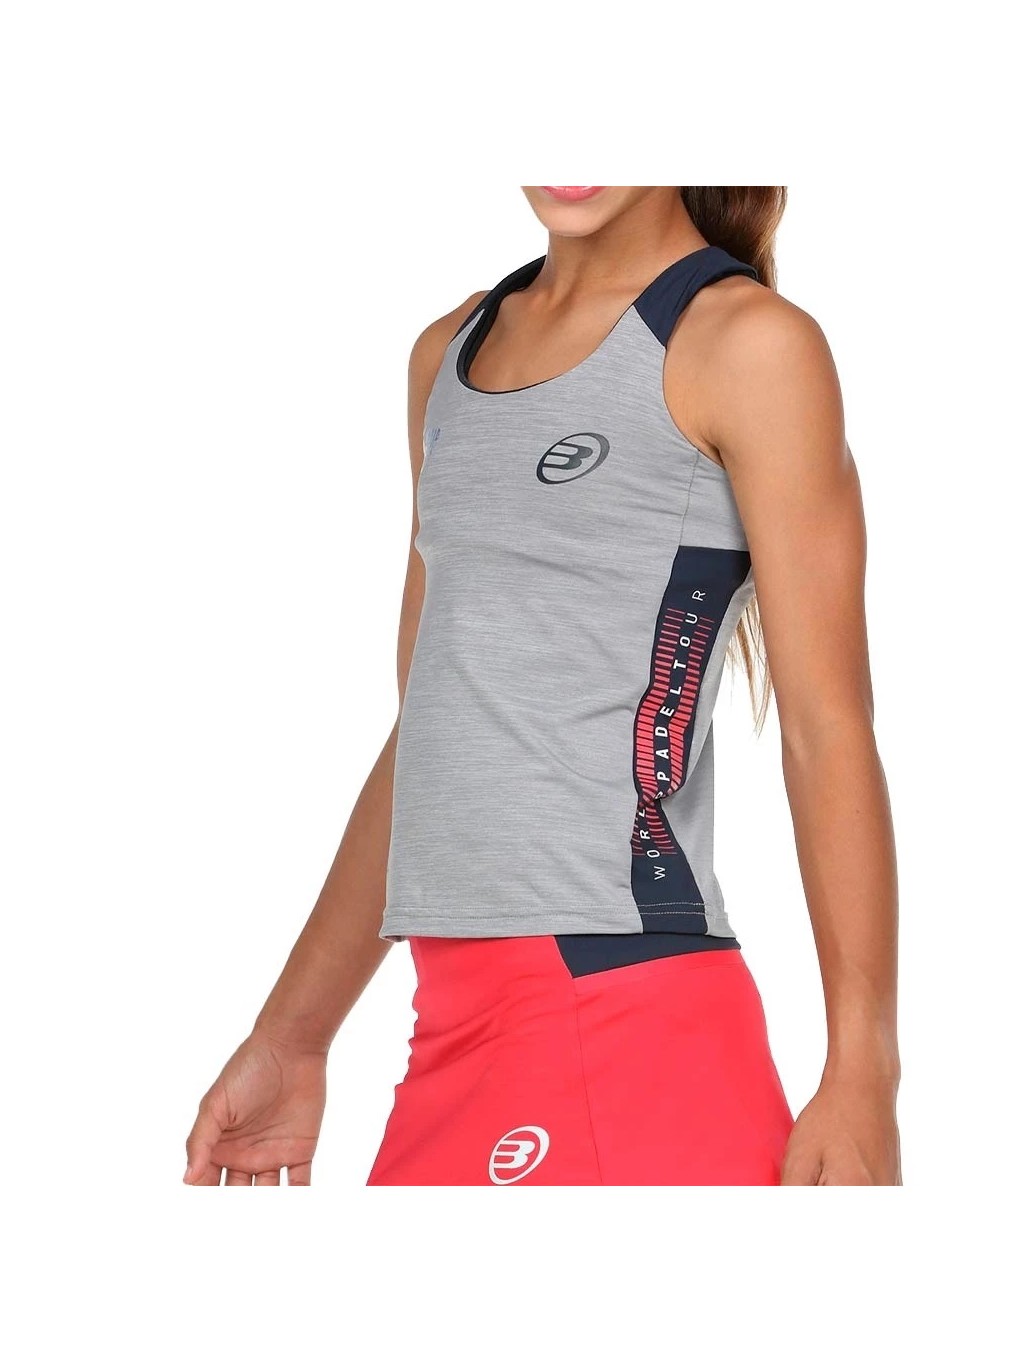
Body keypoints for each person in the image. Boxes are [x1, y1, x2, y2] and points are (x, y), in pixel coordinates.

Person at [183, 186, 901, 1186]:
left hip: (622, 1014)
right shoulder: (448, 353)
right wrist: (292, 1036)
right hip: (451, 1037)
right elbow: (432, 731)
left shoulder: (744, 345)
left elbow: (829, 727)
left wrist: (863, 1072)